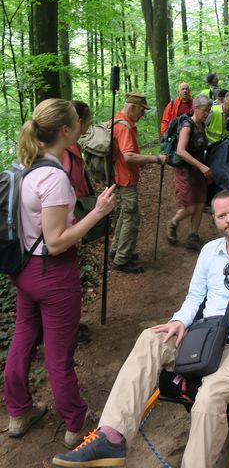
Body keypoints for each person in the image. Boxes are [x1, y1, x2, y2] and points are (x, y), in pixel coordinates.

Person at [52, 190, 229, 468]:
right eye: (222, 216)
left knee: (209, 398)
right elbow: (194, 298)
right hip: (204, 338)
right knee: (151, 338)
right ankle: (112, 437)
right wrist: (179, 321)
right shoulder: (209, 252)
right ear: (214, 220)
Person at [4, 99, 115, 449]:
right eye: (77, 125)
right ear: (65, 131)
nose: (82, 130)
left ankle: (18, 412)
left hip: (24, 271)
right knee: (58, 353)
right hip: (53, 274)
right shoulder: (52, 177)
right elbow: (55, 242)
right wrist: (98, 212)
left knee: (23, 341)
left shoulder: (24, 168)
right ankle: (74, 423)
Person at [111, 93, 166, 274]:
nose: (143, 114)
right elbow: (129, 156)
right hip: (126, 179)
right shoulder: (124, 127)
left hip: (118, 177)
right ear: (133, 107)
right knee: (131, 219)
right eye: (142, 110)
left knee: (125, 215)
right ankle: (122, 259)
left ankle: (116, 250)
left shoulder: (116, 120)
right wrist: (156, 159)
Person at [60, 100, 94, 346]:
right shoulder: (64, 152)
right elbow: (61, 195)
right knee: (64, 282)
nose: (91, 123)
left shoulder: (71, 148)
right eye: (88, 119)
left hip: (66, 221)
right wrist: (73, 227)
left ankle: (68, 324)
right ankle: (66, 329)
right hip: (62, 227)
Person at [166, 93, 212, 251]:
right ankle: (173, 222)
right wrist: (201, 166)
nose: (207, 113)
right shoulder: (187, 126)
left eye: (209, 110)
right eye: (204, 110)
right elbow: (180, 151)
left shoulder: (202, 125)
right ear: (195, 109)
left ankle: (193, 236)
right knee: (190, 207)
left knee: (199, 204)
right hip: (185, 170)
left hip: (198, 170)